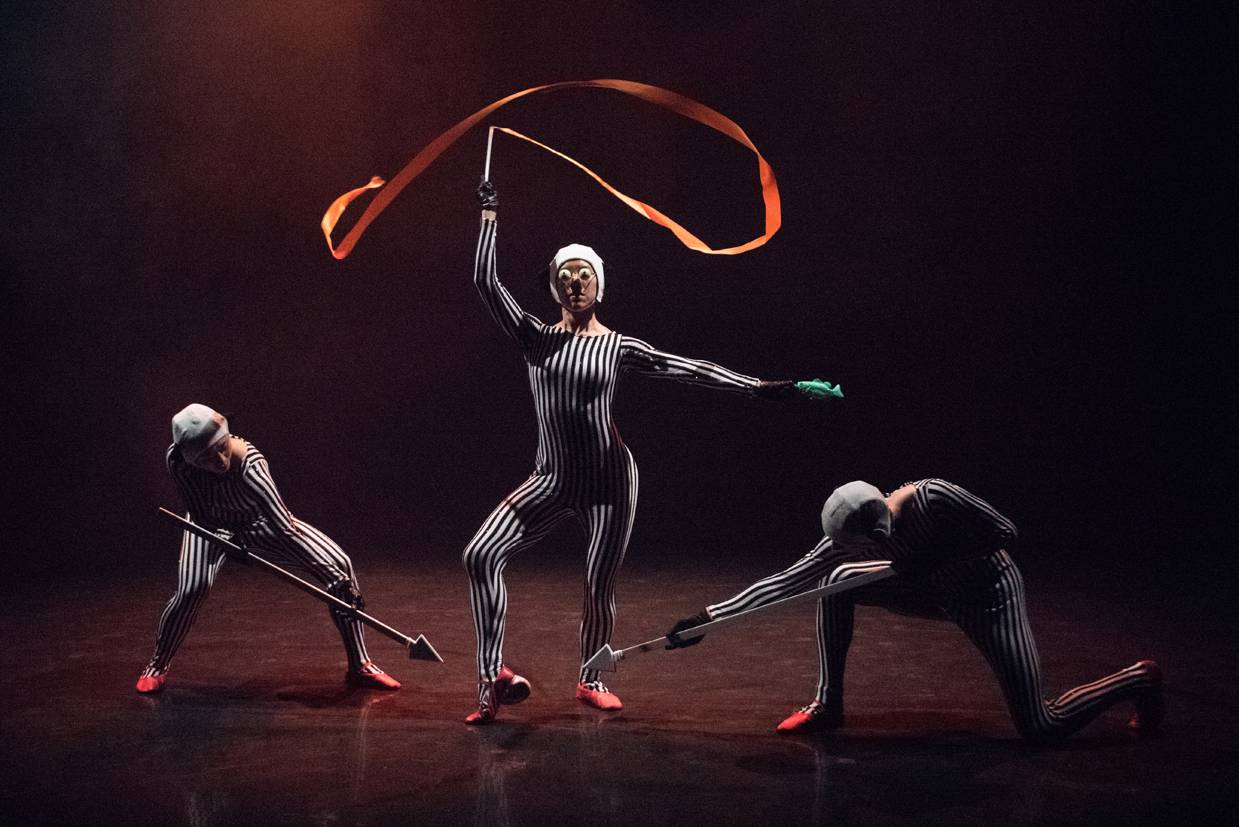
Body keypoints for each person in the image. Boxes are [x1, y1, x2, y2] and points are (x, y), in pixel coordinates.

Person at [462, 179, 838, 724]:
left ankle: (589, 678)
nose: (573, 283)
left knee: (598, 584)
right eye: (564, 276)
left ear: (600, 287)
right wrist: (490, 214)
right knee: (480, 553)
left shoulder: (618, 347)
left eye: (584, 275)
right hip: (552, 479)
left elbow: (690, 369)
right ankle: (492, 678)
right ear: (552, 286)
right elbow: (484, 281)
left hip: (611, 484)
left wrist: (764, 387)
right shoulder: (536, 339)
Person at [666, 479, 1164, 742]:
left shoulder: (936, 500)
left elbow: (1006, 533)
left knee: (1041, 726)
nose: (843, 550)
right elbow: (789, 580)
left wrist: (935, 559)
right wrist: (712, 618)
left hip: (988, 597)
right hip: (932, 591)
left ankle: (1139, 679)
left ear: (876, 534)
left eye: (853, 545)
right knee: (835, 582)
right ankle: (828, 704)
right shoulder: (857, 530)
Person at [136, 403, 399, 693]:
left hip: (257, 523)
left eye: (221, 447)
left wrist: (331, 575)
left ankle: (360, 665)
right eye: (205, 457)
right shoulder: (177, 463)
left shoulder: (251, 465)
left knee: (341, 568)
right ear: (188, 458)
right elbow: (197, 511)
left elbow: (285, 526)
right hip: (209, 524)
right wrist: (223, 539)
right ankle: (156, 666)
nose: (219, 459)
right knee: (192, 588)